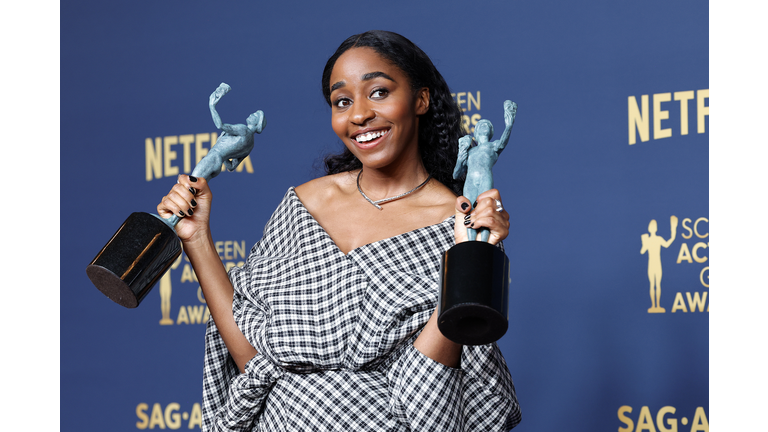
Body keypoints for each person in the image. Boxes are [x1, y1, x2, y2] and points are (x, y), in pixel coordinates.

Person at [158, 30, 521, 431]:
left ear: (421, 99)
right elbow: (253, 363)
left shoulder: (456, 222)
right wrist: (196, 238)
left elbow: (430, 402)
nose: (359, 114)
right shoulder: (303, 205)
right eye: (342, 101)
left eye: (379, 92)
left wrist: (472, 255)